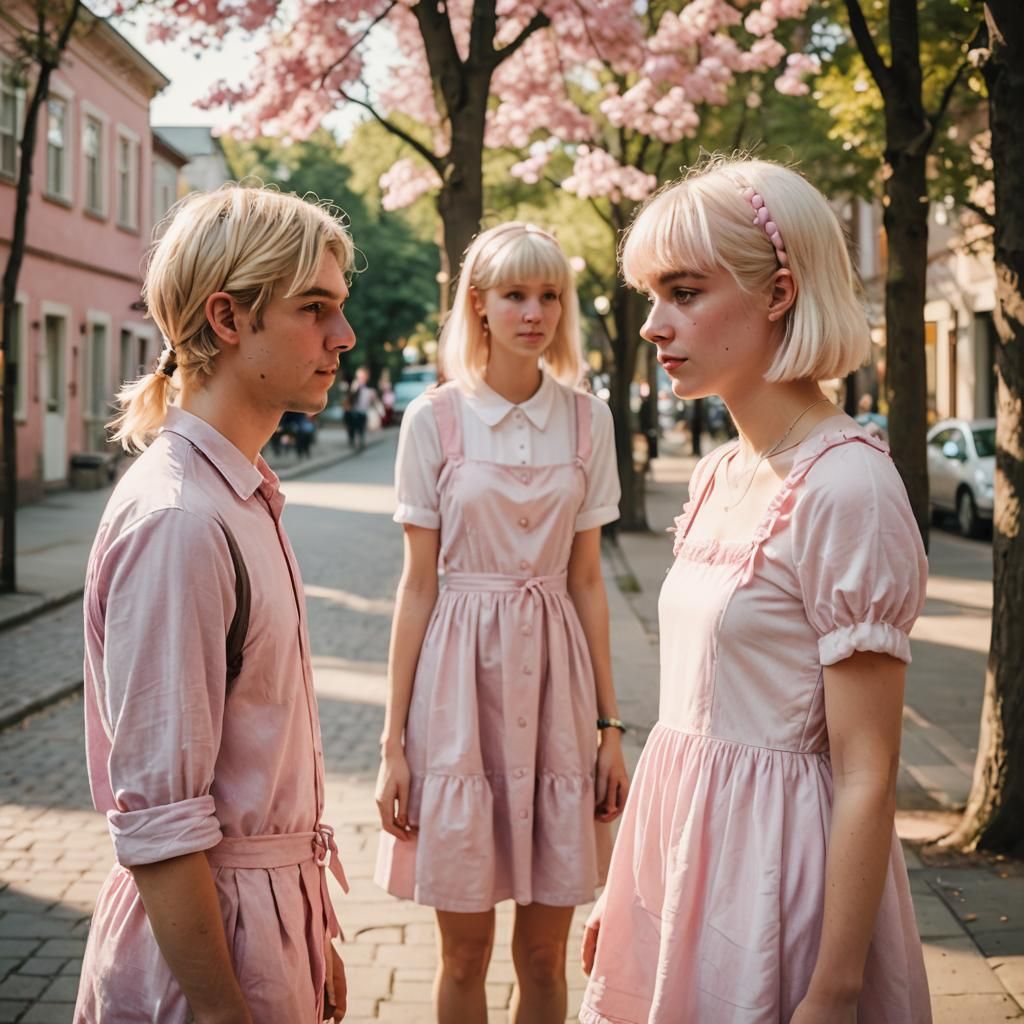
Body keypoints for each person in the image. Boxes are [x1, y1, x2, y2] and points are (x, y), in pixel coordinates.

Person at [579, 156, 931, 1024]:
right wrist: (629, 892)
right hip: (683, 869)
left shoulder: (847, 487)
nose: (655, 326)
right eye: (651, 295)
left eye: (686, 293)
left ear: (778, 293)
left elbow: (866, 773)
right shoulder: (717, 473)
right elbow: (690, 724)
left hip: (779, 883)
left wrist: (834, 988)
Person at [74, 185, 356, 1024]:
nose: (343, 336)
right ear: (228, 319)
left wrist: (308, 936)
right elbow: (161, 823)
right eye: (316, 308)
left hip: (264, 935)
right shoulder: (181, 522)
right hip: (202, 967)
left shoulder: (237, 495)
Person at [374, 222, 629, 1024]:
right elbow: (416, 587)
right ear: (477, 305)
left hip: (556, 687)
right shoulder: (435, 421)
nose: (535, 312)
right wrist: (393, 745)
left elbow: (589, 582)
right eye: (515, 294)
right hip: (457, 692)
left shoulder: (590, 422)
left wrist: (610, 728)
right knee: (463, 957)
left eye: (550, 294)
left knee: (547, 957)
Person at [343, 366, 380, 450]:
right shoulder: (354, 387)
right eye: (359, 377)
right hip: (353, 412)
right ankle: (352, 442)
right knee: (352, 428)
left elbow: (374, 402)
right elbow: (349, 399)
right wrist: (354, 389)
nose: (361, 379)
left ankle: (361, 442)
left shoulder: (369, 390)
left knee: (361, 428)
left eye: (362, 377)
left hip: (362, 412)